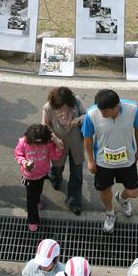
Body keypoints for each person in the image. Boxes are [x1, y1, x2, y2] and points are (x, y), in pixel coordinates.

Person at [82, 88, 138, 233]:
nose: (102, 114)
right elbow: (87, 138)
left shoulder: (133, 109)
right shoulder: (91, 114)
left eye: (105, 111)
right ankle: (110, 213)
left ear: (116, 106)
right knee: (104, 190)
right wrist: (90, 160)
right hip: (103, 162)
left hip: (127, 160)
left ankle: (122, 198)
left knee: (133, 192)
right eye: (100, 110)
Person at [43, 86, 86, 215]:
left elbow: (86, 114)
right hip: (58, 144)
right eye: (59, 107)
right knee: (57, 167)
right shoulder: (47, 107)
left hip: (76, 142)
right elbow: (45, 126)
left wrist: (79, 120)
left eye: (64, 106)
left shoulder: (76, 100)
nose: (62, 110)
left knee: (77, 173)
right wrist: (55, 138)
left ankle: (73, 201)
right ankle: (55, 177)